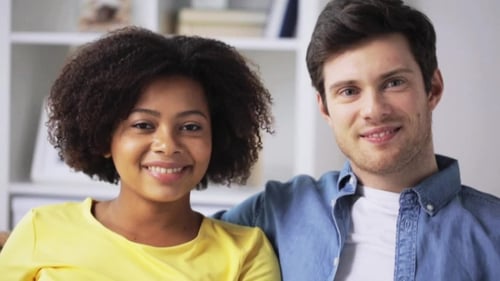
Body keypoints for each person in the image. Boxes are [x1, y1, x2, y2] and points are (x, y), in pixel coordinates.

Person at [214, 0, 500, 280]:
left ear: (433, 88)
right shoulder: (274, 212)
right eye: (349, 91)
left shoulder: (494, 233)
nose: (373, 110)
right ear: (325, 107)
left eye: (393, 83)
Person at [0, 26, 281, 280]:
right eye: (143, 125)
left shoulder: (246, 253)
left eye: (191, 126)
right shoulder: (42, 229)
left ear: (217, 138)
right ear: (103, 137)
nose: (167, 144)